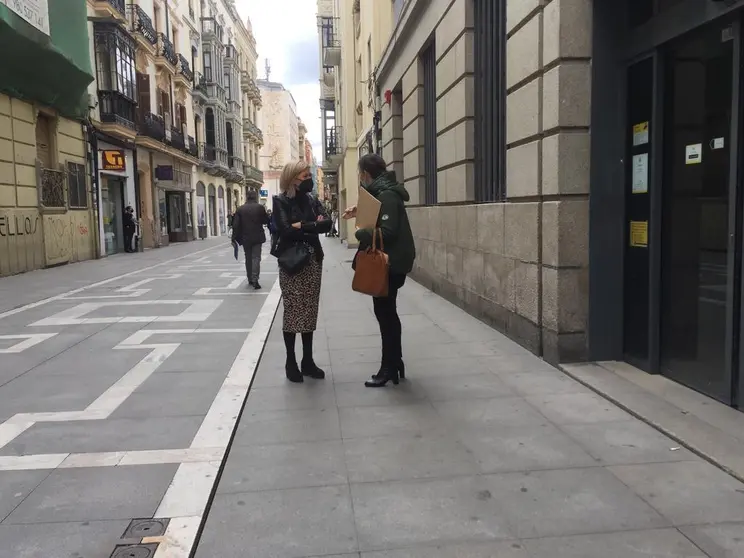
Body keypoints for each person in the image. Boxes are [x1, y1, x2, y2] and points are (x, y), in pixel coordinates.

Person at [344, 154, 415, 388]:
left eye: (360, 174)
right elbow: (381, 214)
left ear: (366, 174)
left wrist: (361, 233)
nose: (360, 178)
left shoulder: (387, 195)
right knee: (388, 314)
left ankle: (388, 368)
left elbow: (389, 231)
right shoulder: (383, 192)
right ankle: (396, 363)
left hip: (390, 264)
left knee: (386, 316)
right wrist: (360, 211)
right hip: (392, 263)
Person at [273, 160, 332, 382]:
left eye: (309, 176)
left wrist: (303, 226)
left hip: (313, 261)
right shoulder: (280, 201)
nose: (309, 180)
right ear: (293, 179)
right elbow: (285, 231)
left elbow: (327, 224)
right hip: (291, 263)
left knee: (309, 311)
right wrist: (310, 226)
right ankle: (291, 361)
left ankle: (307, 361)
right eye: (305, 176)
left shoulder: (311, 199)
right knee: (292, 312)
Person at [232, 190, 269, 289]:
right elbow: (265, 220)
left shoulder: (240, 209)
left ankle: (250, 278)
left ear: (246, 197)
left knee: (248, 258)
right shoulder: (260, 208)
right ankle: (255, 279)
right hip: (257, 236)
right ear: (255, 196)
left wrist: (234, 238)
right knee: (256, 257)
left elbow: (235, 225)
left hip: (246, 237)